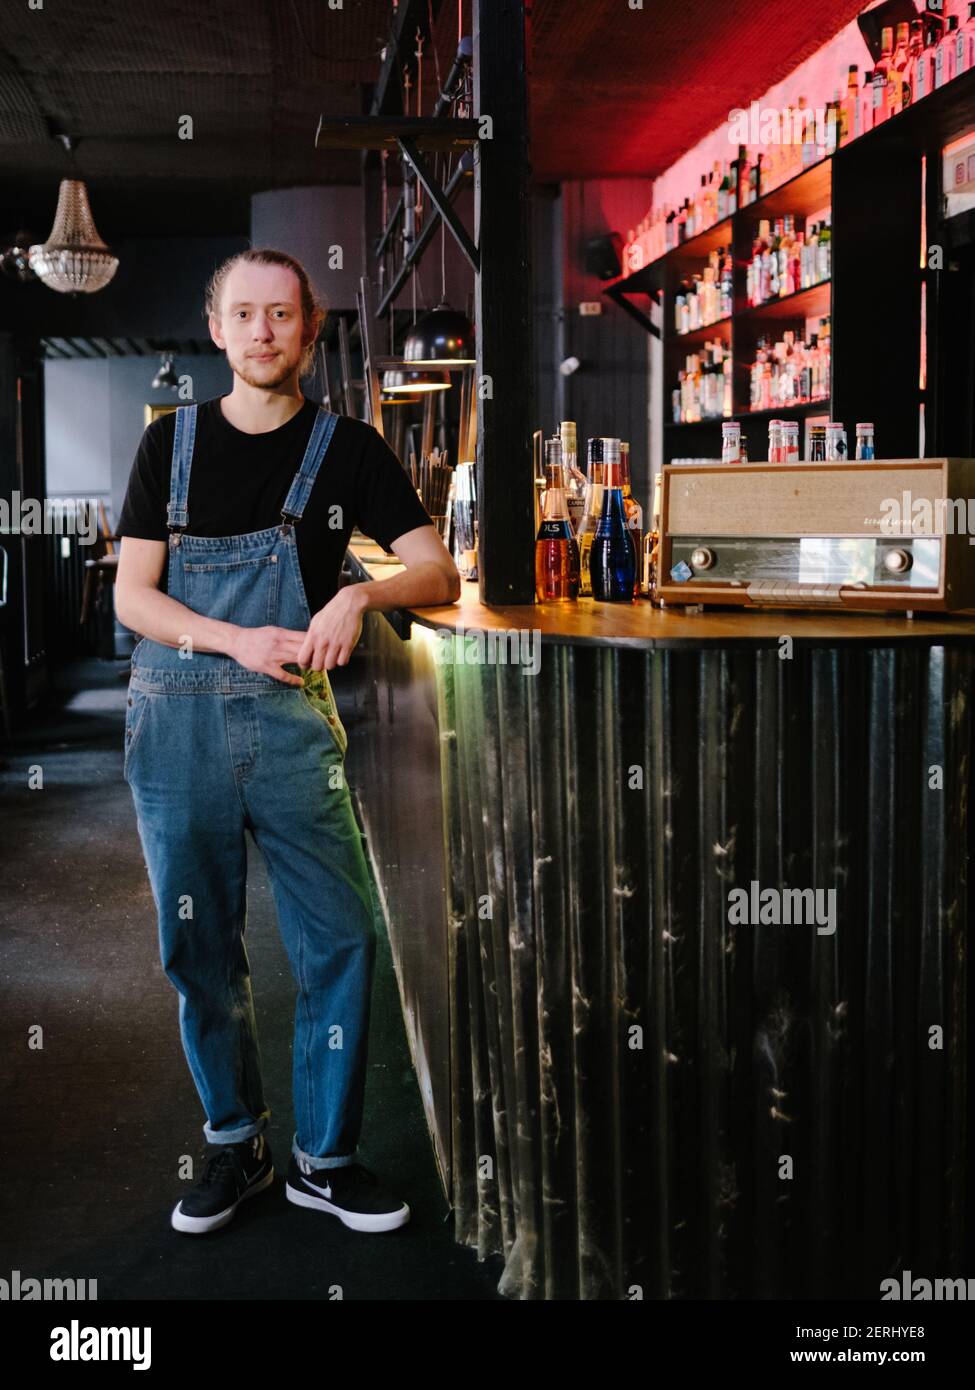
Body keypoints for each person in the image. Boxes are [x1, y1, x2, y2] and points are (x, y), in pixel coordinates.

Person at [115, 248, 461, 1236]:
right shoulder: (167, 446)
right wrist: (233, 635)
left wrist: (360, 588)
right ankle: (236, 1142)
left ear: (308, 330)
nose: (264, 331)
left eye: (283, 315)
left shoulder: (348, 449)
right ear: (217, 330)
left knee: (342, 936)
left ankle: (324, 1157)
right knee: (200, 951)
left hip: (288, 729)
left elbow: (433, 571)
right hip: (172, 725)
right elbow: (133, 597)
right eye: (245, 314)